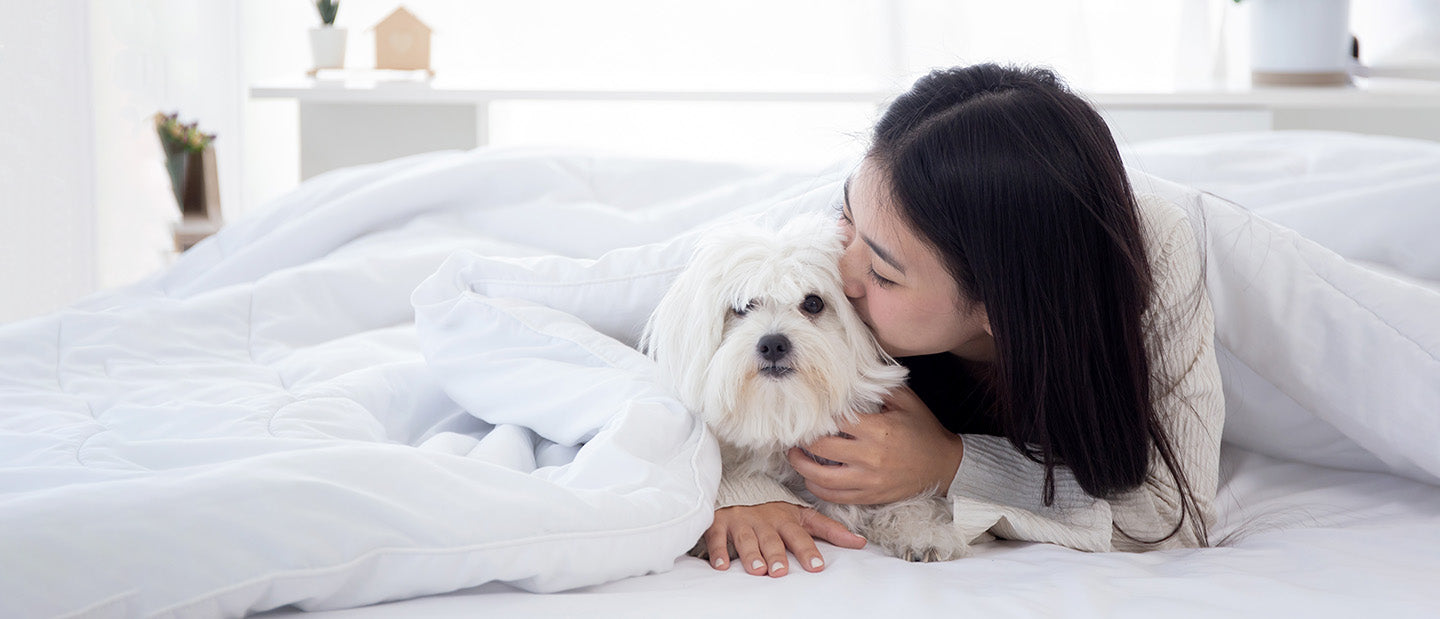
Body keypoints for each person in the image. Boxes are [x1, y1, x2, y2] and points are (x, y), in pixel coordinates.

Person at [698, 63, 1225, 577]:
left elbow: (1171, 515)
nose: (842, 271)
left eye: (882, 273)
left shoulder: (1160, 260)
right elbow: (626, 340)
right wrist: (740, 491)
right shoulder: (824, 236)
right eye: (847, 216)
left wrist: (952, 463)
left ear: (1002, 309)